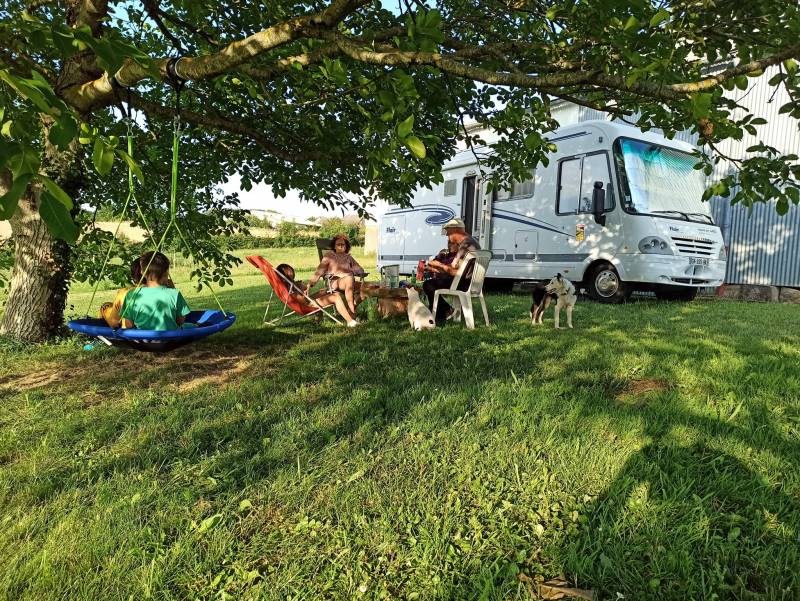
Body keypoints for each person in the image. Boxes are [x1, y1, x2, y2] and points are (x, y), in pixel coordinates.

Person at [423, 217, 481, 325]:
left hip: (463, 283)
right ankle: (441, 312)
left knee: (428, 284)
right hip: (471, 282)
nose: (447, 235)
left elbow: (456, 273)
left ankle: (444, 312)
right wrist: (436, 269)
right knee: (435, 281)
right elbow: (454, 268)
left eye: (448, 232)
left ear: (455, 230)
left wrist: (439, 264)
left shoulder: (465, 246)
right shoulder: (471, 242)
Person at [120, 251, 191, 330]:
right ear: (166, 272)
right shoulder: (174, 294)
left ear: (142, 272)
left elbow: (128, 325)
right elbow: (180, 321)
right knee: (192, 326)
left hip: (142, 337)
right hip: (170, 337)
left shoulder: (132, 295)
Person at [276, 263, 360, 327]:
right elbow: (303, 300)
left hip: (306, 302)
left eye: (290, 269)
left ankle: (319, 319)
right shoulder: (289, 288)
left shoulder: (289, 284)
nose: (291, 271)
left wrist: (302, 287)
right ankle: (350, 322)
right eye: (288, 270)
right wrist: (301, 289)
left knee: (324, 291)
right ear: (284, 274)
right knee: (335, 297)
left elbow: (304, 296)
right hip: (305, 306)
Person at [308, 234, 366, 317]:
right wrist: (310, 284)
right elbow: (319, 271)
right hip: (334, 282)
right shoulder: (329, 256)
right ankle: (352, 312)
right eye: (338, 244)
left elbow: (360, 269)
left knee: (367, 287)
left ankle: (351, 308)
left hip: (349, 282)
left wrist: (355, 271)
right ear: (334, 246)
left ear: (346, 246)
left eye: (343, 244)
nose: (341, 246)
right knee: (349, 279)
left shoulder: (348, 257)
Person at [100, 257, 143, 328]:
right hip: (158, 332)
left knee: (105, 306)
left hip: (129, 332)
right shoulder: (163, 291)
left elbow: (115, 323)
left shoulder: (126, 293)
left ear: (133, 276)